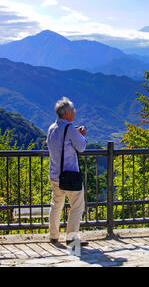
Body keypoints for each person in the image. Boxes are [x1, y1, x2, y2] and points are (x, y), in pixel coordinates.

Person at [47, 97, 88, 246]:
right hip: (70, 175)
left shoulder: (52, 128)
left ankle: (53, 236)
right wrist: (81, 135)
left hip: (55, 174)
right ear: (68, 112)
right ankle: (71, 239)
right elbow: (81, 146)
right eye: (73, 110)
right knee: (77, 206)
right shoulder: (70, 128)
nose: (74, 112)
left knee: (56, 205)